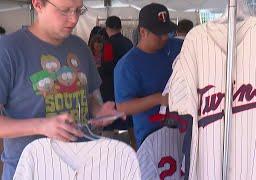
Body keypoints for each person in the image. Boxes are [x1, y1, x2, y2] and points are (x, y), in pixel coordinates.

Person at [0, 0, 122, 179]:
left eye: (78, 10)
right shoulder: (8, 49)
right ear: (38, 4)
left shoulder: (80, 47)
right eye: (65, 11)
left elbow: (86, 96)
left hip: (80, 167)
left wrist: (99, 111)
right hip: (31, 171)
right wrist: (42, 125)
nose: (73, 19)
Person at [114, 3, 183, 148]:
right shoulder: (127, 65)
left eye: (167, 31)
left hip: (184, 131)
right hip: (151, 139)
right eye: (159, 34)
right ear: (143, 32)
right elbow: (123, 108)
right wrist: (159, 99)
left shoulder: (177, 47)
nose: (165, 37)